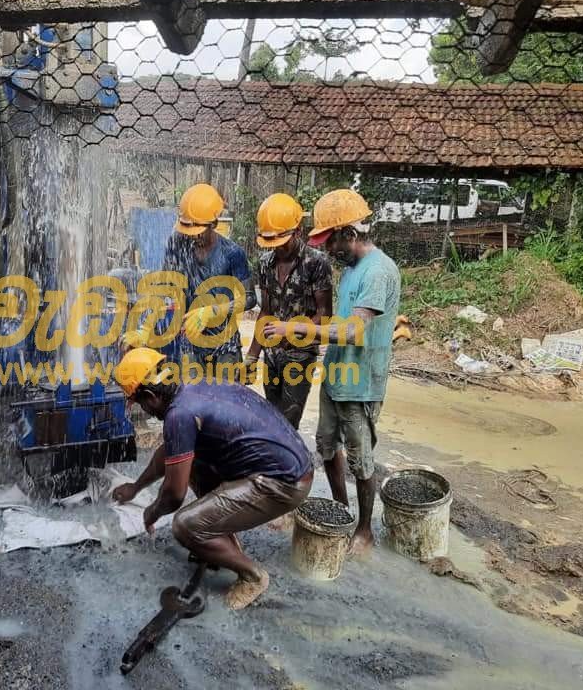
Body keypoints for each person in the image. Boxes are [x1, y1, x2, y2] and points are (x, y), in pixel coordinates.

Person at [110, 348, 314, 610]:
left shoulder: (180, 414)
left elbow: (173, 496)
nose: (145, 411)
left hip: (284, 483)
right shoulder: (192, 386)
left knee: (185, 525)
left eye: (140, 404)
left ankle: (252, 576)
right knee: (191, 463)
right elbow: (170, 451)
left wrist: (152, 512)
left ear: (150, 396)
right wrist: (136, 488)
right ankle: (220, 538)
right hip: (290, 464)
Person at [264, 189, 400, 555]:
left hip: (361, 383)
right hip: (337, 376)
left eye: (331, 241)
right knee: (327, 446)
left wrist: (296, 328)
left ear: (350, 234)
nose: (328, 250)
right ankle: (342, 511)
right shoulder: (353, 271)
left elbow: (352, 330)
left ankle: (365, 530)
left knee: (361, 459)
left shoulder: (378, 271)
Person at [125, 183, 256, 380]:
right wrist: (145, 328)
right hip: (190, 343)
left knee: (224, 396)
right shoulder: (177, 243)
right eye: (188, 229)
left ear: (213, 224)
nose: (193, 235)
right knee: (191, 396)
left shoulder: (232, 253)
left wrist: (213, 312)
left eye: (199, 230)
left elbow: (249, 298)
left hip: (225, 345)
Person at [245, 193, 332, 429]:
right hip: (271, 355)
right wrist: (252, 356)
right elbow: (266, 311)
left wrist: (291, 331)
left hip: (300, 357)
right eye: (272, 243)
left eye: (282, 241)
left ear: (298, 231)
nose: (278, 248)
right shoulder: (265, 262)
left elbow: (324, 315)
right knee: (270, 420)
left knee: (288, 424)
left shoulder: (316, 263)